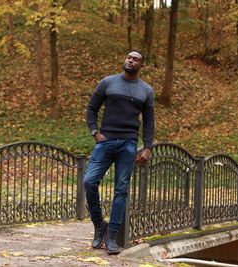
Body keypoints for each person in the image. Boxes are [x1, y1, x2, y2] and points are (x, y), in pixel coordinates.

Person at [84, 51, 155, 255]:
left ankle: (112, 236)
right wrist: (94, 132)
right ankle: (99, 225)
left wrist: (147, 146)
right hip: (105, 142)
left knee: (121, 190)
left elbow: (149, 122)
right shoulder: (107, 82)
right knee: (89, 181)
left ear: (142, 64)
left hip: (128, 144)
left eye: (135, 59)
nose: (130, 60)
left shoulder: (146, 90)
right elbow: (91, 109)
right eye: (128, 57)